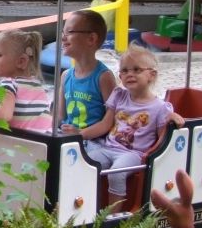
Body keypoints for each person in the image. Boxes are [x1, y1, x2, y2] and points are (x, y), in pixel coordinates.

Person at [79, 42, 185, 201]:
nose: (130, 74)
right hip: (109, 147)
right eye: (125, 70)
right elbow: (105, 124)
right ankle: (87, 207)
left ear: (152, 75)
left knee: (117, 172)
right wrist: (78, 136)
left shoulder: (160, 108)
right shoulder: (119, 95)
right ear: (120, 76)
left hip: (134, 154)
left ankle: (113, 216)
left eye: (137, 70)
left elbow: (162, 141)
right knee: (84, 164)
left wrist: (172, 119)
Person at [0, 30, 52, 132]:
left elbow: (4, 115)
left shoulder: (9, 83)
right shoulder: (37, 85)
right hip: (44, 142)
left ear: (21, 61)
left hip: (24, 143)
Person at [55, 10, 116, 136]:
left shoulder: (104, 77)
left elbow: (110, 120)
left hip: (93, 141)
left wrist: (80, 133)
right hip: (67, 138)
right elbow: (60, 116)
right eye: (63, 32)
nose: (62, 37)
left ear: (91, 39)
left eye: (69, 32)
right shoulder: (65, 76)